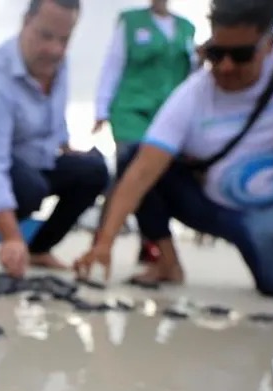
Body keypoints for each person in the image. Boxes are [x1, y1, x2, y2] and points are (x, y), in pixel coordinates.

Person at [74, 0, 273, 299]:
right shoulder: (192, 94)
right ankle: (168, 263)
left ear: (269, 43)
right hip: (205, 206)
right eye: (215, 53)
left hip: (267, 211)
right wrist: (103, 244)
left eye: (241, 55)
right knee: (133, 155)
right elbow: (142, 170)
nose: (225, 66)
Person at [0, 0, 111, 277]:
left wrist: (68, 149)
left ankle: (39, 249)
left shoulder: (59, 63)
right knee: (29, 188)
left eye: (64, 39)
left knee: (94, 170)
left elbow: (56, 119)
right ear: (25, 22)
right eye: (46, 36)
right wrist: (11, 237)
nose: (55, 49)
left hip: (36, 161)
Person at [93, 0, 198, 267]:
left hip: (168, 116)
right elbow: (113, 64)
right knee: (129, 170)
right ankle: (101, 243)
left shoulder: (187, 28)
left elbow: (194, 75)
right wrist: (101, 108)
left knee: (155, 178)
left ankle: (149, 245)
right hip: (131, 110)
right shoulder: (129, 21)